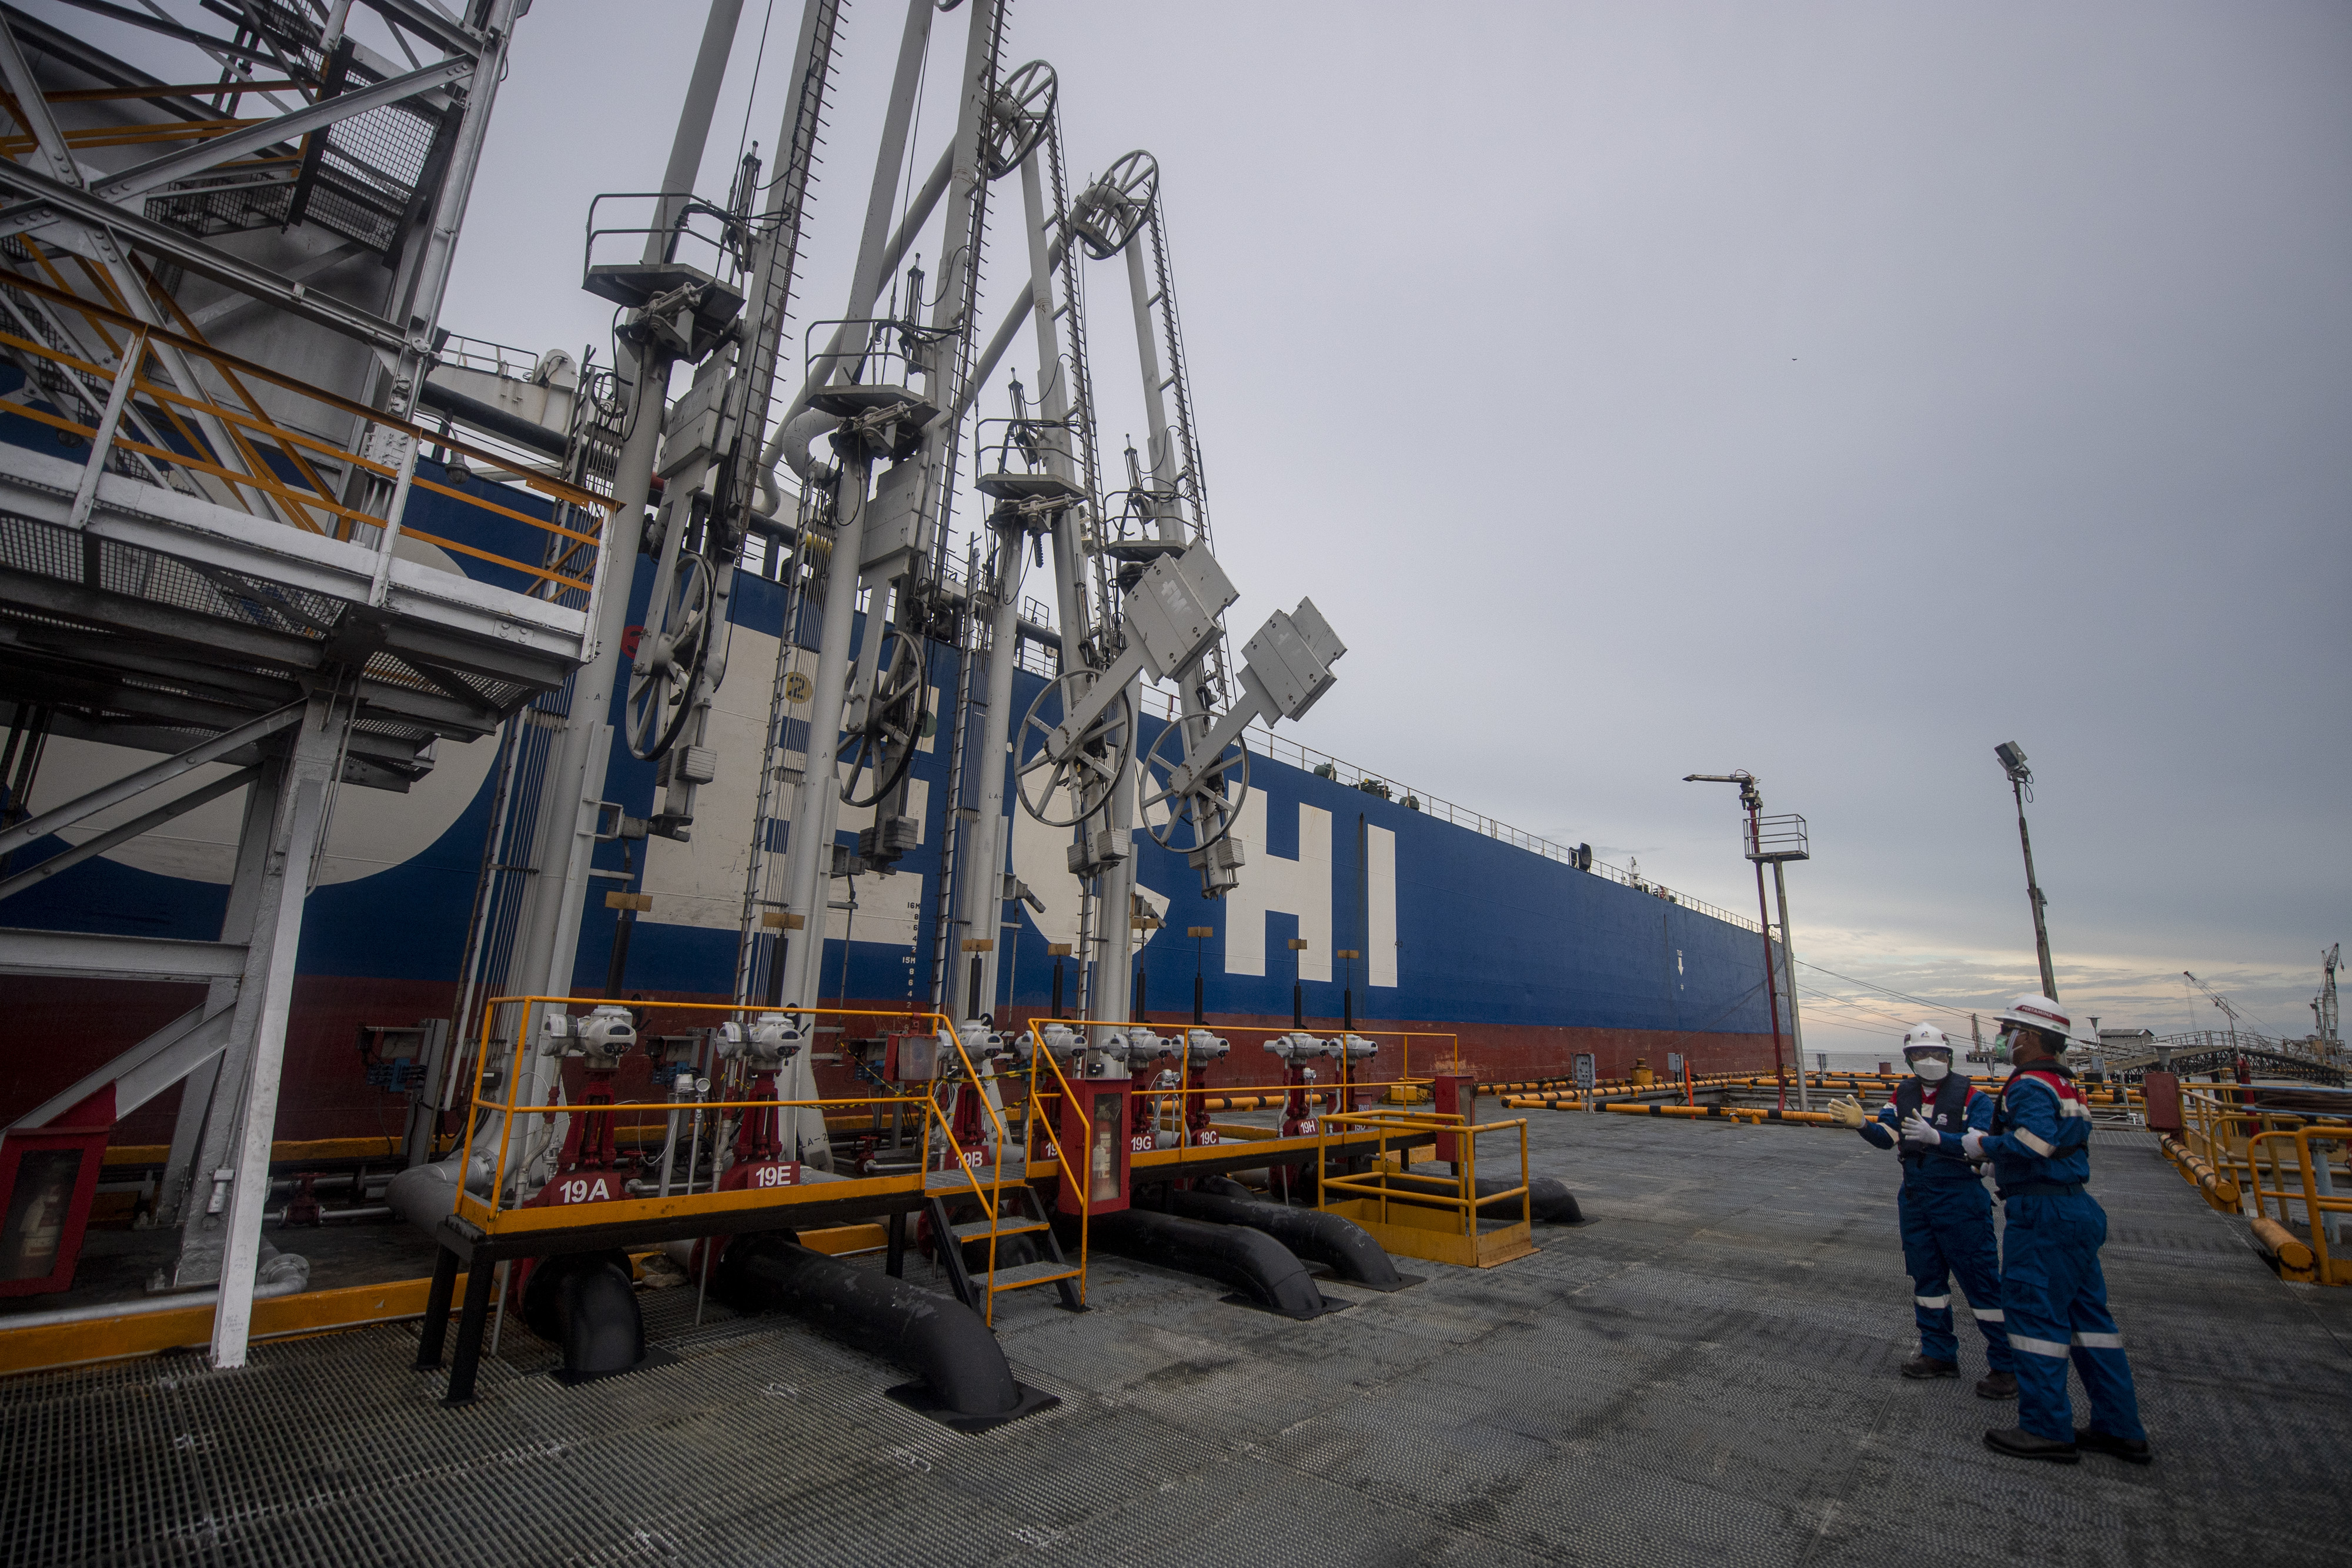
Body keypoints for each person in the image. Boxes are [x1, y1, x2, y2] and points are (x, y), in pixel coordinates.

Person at [1964, 994, 2151, 1465]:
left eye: (2007, 1030)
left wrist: (1984, 1145)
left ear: (2029, 1036)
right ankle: (2119, 1427)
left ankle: (2046, 1428)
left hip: (2043, 1216)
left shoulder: (2029, 1083)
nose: (2002, 1037)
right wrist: (2001, 1164)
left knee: (2035, 1319)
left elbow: (2034, 1142)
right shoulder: (2065, 1083)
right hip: (2074, 1208)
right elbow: (2062, 1145)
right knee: (2091, 1325)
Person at [1826, 1025, 2015, 1399]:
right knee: (1927, 1280)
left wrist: (1938, 1138)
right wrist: (1862, 1124)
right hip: (1916, 1199)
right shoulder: (1902, 1095)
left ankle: (2007, 1365)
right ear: (1909, 1059)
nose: (1930, 1060)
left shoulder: (1974, 1098)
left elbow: (1982, 1145)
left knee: (1981, 1283)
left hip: (1960, 1200)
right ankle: (1938, 1353)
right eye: (1921, 1054)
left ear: (1949, 1057)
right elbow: (1888, 1137)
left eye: (1938, 1054)